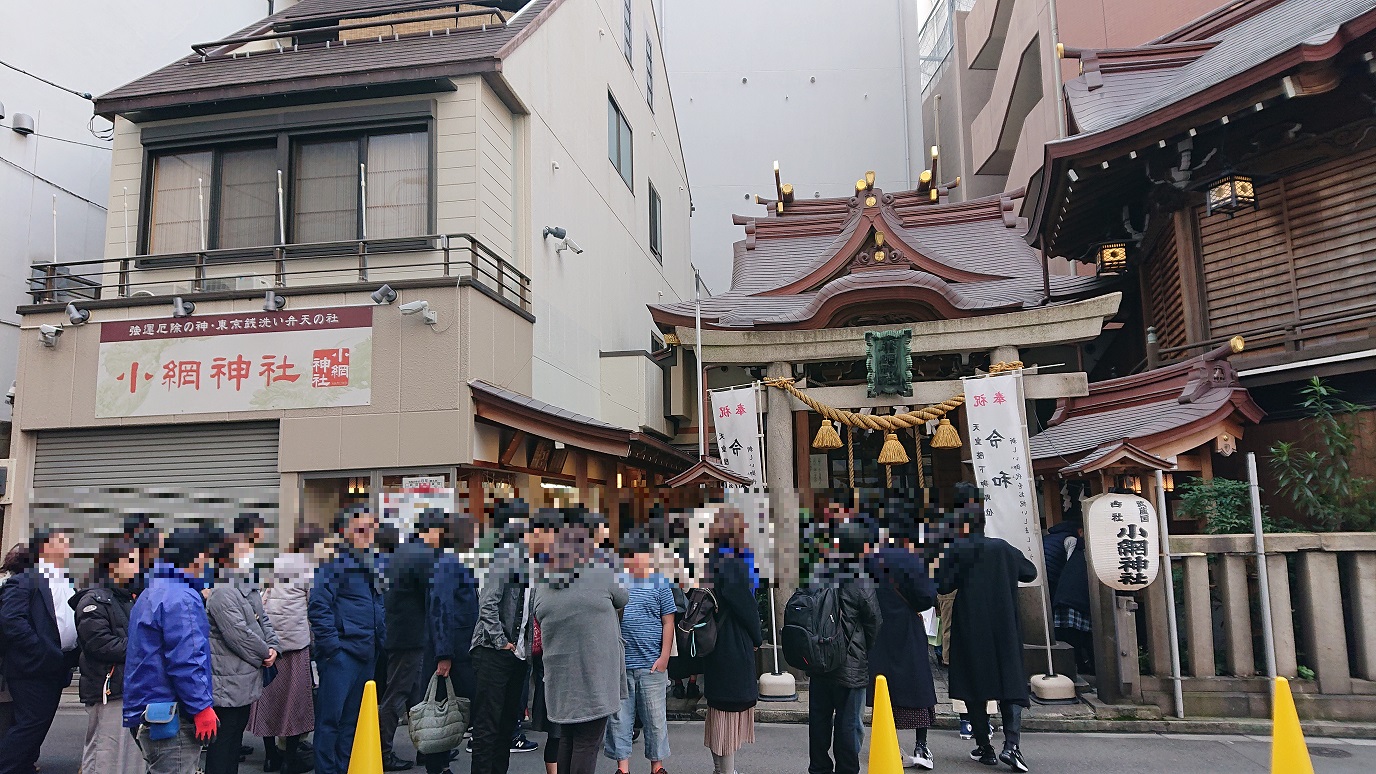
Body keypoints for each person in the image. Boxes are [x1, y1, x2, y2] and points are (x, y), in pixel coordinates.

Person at [937, 508, 1037, 772]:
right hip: (1003, 624)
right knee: (1010, 681)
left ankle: (985, 747)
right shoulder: (1002, 549)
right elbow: (1030, 572)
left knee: (973, 683)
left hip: (971, 624)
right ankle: (1012, 745)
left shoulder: (958, 551)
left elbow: (942, 584)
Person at [533, 508, 628, 774]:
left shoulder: (544, 580)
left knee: (567, 738)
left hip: (559, 678)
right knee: (587, 742)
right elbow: (623, 597)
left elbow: (537, 612)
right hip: (594, 675)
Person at [125, 527, 220, 774]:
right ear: (195, 557)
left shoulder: (151, 591)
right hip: (173, 713)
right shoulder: (183, 597)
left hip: (150, 712)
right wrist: (201, 708)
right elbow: (187, 659)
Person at [310, 506, 386, 774]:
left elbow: (378, 604)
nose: (368, 535)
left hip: (366, 654)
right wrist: (332, 649)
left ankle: (345, 768)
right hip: (342, 656)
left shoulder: (372, 564)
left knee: (351, 723)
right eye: (362, 529)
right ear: (346, 532)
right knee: (330, 722)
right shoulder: (334, 564)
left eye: (372, 529)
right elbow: (318, 606)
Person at [0, 528, 80, 774]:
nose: (68, 546)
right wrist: (39, 650)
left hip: (59, 665)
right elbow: (11, 619)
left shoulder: (66, 581)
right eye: (62, 541)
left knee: (39, 723)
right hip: (32, 666)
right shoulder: (25, 580)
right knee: (30, 723)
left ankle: (22, 765)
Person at [806, 519, 881, 774]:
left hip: (819, 661)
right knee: (849, 724)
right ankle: (847, 770)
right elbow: (874, 622)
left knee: (819, 720)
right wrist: (861, 649)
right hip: (850, 665)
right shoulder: (860, 577)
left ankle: (818, 768)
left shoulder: (817, 573)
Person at [251, 524, 325, 774]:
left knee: (268, 701)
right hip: (295, 647)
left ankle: (270, 757)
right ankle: (290, 759)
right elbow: (313, 608)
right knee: (296, 704)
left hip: (269, 646)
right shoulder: (309, 570)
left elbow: (261, 600)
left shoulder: (274, 564)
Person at [468, 499, 535, 774]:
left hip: (517, 654)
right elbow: (488, 604)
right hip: (493, 651)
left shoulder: (532, 563)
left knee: (506, 726)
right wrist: (500, 641)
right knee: (487, 726)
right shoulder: (504, 557)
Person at [206, 532, 281, 774]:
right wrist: (263, 653)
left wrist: (274, 647)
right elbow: (238, 635)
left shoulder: (248, 587)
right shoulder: (221, 592)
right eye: (243, 552)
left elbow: (263, 620)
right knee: (223, 746)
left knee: (234, 740)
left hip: (245, 680)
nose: (249, 556)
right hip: (227, 682)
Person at [866, 518, 938, 770]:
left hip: (875, 631)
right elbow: (926, 595)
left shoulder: (864, 560)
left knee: (882, 692)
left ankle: (890, 743)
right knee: (917, 683)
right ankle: (921, 745)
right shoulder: (907, 558)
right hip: (906, 627)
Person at [604, 529, 674, 774]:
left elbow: (668, 621)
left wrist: (664, 656)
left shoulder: (660, 583)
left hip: (651, 664)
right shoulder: (615, 584)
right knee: (619, 721)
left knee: (655, 721)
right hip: (621, 665)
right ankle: (623, 768)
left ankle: (657, 767)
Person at [380, 511, 446, 772]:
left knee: (415, 698)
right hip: (410, 637)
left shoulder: (403, 551)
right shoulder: (421, 555)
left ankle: (424, 750)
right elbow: (432, 595)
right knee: (397, 695)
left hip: (400, 633)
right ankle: (384, 754)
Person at [73, 538, 144, 774]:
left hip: (127, 685)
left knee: (128, 753)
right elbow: (99, 644)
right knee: (104, 752)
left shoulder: (125, 597)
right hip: (108, 686)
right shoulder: (94, 599)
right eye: (132, 561)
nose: (138, 566)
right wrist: (144, 647)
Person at [700, 508, 763, 774]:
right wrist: (758, 636)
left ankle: (720, 768)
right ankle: (726, 771)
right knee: (728, 712)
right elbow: (745, 606)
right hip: (732, 643)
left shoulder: (709, 560)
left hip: (713, 642)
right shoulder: (732, 563)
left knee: (718, 711)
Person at [416, 511, 479, 774]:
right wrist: (444, 653)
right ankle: (436, 765)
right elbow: (441, 607)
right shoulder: (446, 563)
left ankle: (438, 762)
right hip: (452, 649)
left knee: (445, 706)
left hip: (454, 646)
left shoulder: (448, 561)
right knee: (442, 706)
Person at [1051, 525, 1093, 676]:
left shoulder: (1076, 547)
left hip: (1064, 594)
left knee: (1071, 636)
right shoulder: (1075, 543)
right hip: (1076, 597)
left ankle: (1080, 666)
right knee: (1083, 636)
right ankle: (1086, 667)